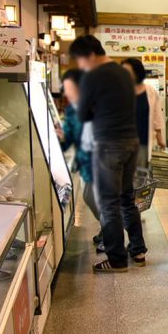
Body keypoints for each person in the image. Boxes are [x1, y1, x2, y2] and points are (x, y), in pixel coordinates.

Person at [69, 35, 147, 273]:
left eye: (81, 61)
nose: (81, 66)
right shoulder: (124, 72)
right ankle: (138, 250)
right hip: (130, 142)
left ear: (90, 55)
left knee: (109, 203)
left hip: (109, 144)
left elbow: (82, 114)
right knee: (126, 199)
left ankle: (116, 259)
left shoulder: (93, 76)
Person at [58, 69, 100, 244]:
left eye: (69, 88)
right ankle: (108, 231)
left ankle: (113, 241)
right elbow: (69, 138)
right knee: (90, 197)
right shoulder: (72, 110)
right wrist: (61, 137)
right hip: (86, 161)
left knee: (98, 199)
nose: (66, 92)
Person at [121, 58, 165, 168]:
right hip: (122, 143)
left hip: (143, 142)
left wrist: (160, 138)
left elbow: (156, 116)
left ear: (137, 73)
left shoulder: (150, 91)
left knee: (140, 177)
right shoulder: (119, 90)